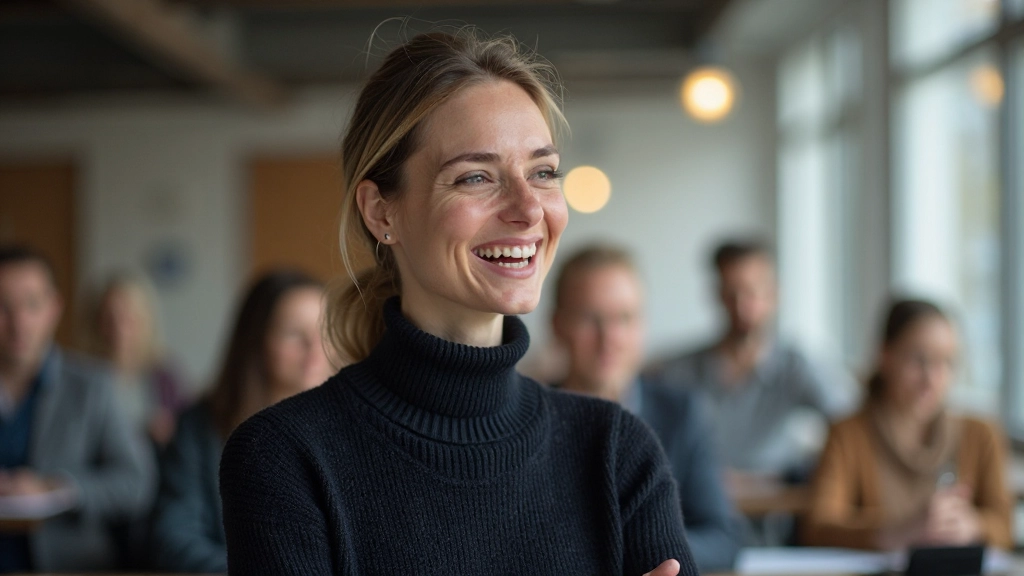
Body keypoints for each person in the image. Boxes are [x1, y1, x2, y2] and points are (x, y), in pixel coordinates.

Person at [219, 29, 696, 576]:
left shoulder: (616, 452)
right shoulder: (286, 458)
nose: (528, 209)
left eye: (542, 172)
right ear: (382, 212)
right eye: (476, 176)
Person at [551, 244, 742, 573]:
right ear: (556, 325)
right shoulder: (526, 417)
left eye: (624, 318)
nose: (609, 337)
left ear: (644, 325)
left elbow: (723, 540)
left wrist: (648, 548)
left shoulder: (683, 414)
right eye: (589, 319)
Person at [149, 270, 334, 572]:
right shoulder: (200, 425)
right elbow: (174, 538)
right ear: (256, 339)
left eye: (325, 330)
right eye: (293, 334)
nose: (316, 348)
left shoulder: (353, 426)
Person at [802, 299, 1012, 550]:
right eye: (918, 359)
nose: (932, 378)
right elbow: (818, 526)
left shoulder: (981, 434)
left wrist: (973, 526)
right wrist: (894, 532)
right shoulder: (847, 435)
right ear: (885, 356)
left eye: (946, 362)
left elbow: (1005, 527)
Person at [0, 245, 154, 573]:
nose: (18, 323)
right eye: (2, 307)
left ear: (54, 308)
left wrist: (57, 489)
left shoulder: (92, 386)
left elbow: (137, 482)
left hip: (72, 565)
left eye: (32, 304)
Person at [648, 239, 855, 482]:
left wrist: (807, 473)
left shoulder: (796, 367)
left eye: (753, 292)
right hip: (696, 508)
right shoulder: (678, 371)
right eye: (732, 293)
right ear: (717, 295)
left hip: (777, 511)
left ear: (774, 294)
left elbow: (852, 422)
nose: (742, 306)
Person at [83, 271, 189, 447]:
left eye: (128, 318)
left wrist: (171, 430)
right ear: (96, 322)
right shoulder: (82, 374)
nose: (119, 329)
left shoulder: (165, 376)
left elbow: (188, 434)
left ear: (145, 321)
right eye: (109, 318)